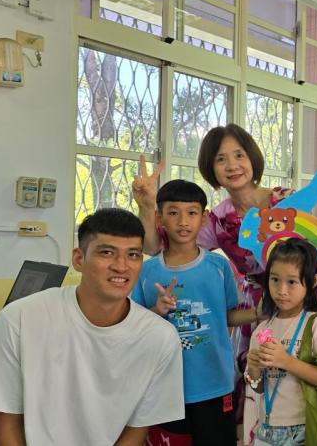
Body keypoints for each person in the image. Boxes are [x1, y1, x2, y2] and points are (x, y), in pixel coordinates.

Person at [0, 208, 185, 445]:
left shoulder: (159, 337)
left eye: (133, 255)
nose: (121, 266)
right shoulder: (19, 319)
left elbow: (138, 428)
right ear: (79, 259)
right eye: (107, 252)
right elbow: (7, 418)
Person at [132, 123, 292, 436]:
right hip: (255, 308)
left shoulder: (284, 200)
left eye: (239, 155)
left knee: (295, 386)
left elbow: (314, 249)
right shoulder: (218, 218)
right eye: (221, 159)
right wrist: (148, 205)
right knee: (258, 392)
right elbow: (161, 248)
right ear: (211, 168)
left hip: (295, 298)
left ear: (252, 158)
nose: (232, 165)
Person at [131, 179, 266, 445]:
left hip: (215, 384)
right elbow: (134, 324)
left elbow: (226, 316)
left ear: (203, 218)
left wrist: (256, 313)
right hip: (165, 387)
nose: (183, 221)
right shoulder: (146, 271)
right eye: (173, 213)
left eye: (191, 213)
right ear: (159, 218)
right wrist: (157, 310)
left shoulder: (219, 266)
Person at [245, 238, 317, 446]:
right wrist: (253, 370)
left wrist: (287, 361)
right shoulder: (262, 331)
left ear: (313, 281)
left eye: (291, 282)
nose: (281, 290)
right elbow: (259, 388)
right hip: (267, 429)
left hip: (306, 428)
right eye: (275, 279)